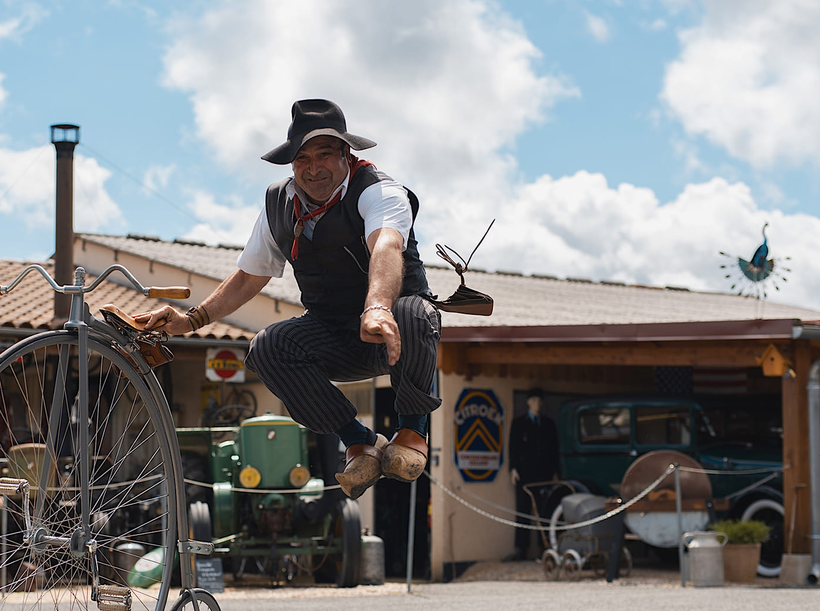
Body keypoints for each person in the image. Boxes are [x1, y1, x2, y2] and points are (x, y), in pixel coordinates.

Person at [140, 99, 440, 499]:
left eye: (324, 155)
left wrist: (378, 307)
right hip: (334, 336)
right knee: (266, 347)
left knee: (414, 312)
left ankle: (412, 431)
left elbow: (386, 244)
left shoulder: (380, 191)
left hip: (392, 335)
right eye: (302, 159)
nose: (313, 168)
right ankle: (359, 442)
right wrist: (192, 320)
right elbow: (250, 274)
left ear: (346, 155)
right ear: (291, 165)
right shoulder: (278, 203)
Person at [507, 388, 559, 561]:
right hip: (524, 474)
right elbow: (513, 447)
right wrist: (513, 469)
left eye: (539, 401)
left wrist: (556, 473)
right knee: (523, 510)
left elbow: (554, 450)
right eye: (534, 400)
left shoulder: (548, 424)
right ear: (528, 402)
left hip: (543, 474)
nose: (537, 404)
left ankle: (545, 546)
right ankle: (521, 548)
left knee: (544, 511)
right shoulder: (519, 423)